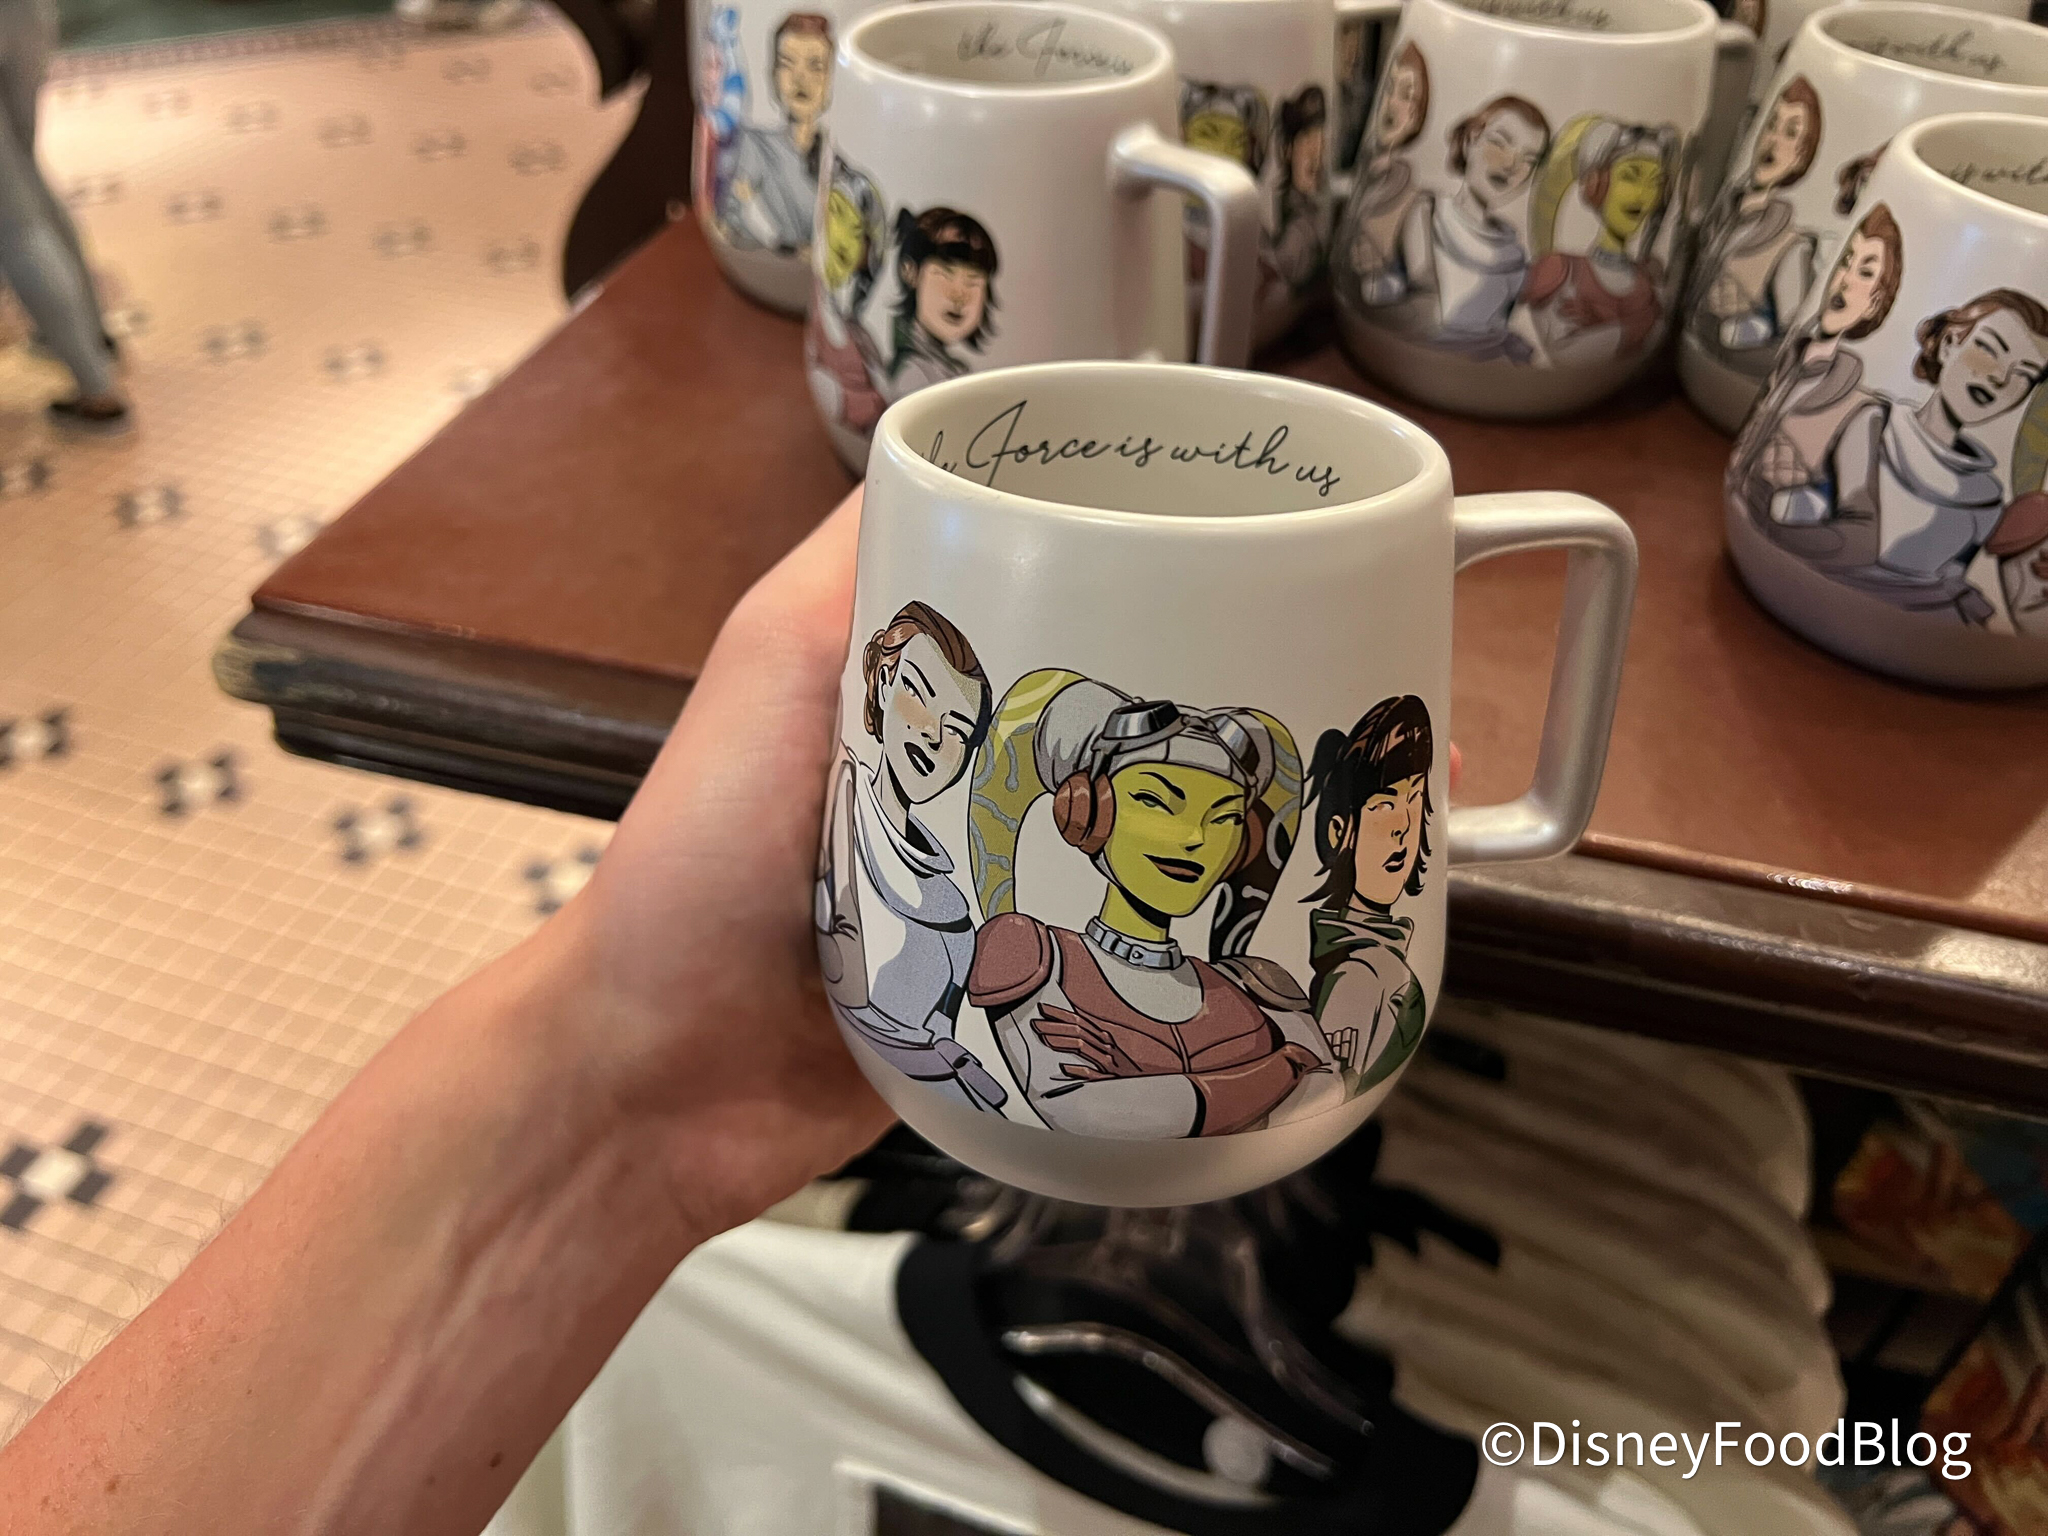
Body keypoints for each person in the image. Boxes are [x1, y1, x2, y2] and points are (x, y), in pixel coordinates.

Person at [0, 489, 1459, 1528]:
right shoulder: (1028, 944)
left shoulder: (1230, 987)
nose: (1185, 836)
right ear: (1089, 815)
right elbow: (1071, 1080)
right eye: (1153, 801)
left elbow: (1177, 1076)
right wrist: (1237, 1069)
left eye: (1214, 815)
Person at [964, 673, 1340, 1139]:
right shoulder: (1027, 954)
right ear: (1086, 812)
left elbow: (1325, 1095)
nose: (1195, 837)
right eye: (1154, 800)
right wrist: (1283, 1066)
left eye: (1224, 816)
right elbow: (1085, 1112)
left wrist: (1143, 1081)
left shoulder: (1260, 982)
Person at [815, 601, 1008, 1109]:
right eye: (919, 695)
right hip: (863, 1071)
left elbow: (943, 1026)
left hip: (941, 1095)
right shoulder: (849, 796)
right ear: (883, 684)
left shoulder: (951, 899)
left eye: (958, 730)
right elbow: (848, 977)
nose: (934, 735)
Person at [1729, 201, 1901, 534]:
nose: (1846, 279)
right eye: (1846, 261)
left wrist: (1800, 516)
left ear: (1875, 304)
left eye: (1866, 273)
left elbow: (1859, 530)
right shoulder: (1792, 360)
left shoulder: (1860, 412)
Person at [0, 0, 126, 432]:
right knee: (25, 177)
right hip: (26, 15)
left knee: (13, 218)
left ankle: (97, 391)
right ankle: (92, 336)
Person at [1302, 695, 1434, 1096]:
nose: (1403, 825)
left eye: (1415, 797)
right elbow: (1329, 1097)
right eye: (1384, 804)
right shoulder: (1357, 977)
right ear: (1339, 832)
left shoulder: (1383, 952)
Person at [1367, 94, 1551, 361]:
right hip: (1423, 355)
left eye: (1529, 160)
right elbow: (1414, 299)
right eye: (1499, 143)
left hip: (1490, 363)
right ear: (1470, 140)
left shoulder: (1513, 252)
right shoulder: (1429, 214)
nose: (1511, 165)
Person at [1521, 117, 1680, 366]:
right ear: (1596, 185)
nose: (1643, 193)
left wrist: (1610, 325)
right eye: (1630, 176)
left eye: (1654, 182)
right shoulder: (1559, 271)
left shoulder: (1648, 279)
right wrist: (1636, 326)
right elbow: (1566, 354)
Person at [1689, 75, 1821, 368]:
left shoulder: (1791, 246)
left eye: (1790, 133)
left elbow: (1786, 343)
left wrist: (1748, 318)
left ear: (1801, 157)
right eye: (1772, 125)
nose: (1773, 140)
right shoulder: (1723, 214)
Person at [715, 12, 833, 254]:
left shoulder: (836, 157)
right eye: (787, 64)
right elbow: (734, 215)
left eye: (816, 66)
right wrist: (786, 247)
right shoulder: (755, 145)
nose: (800, 78)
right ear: (773, 74)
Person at [803, 154, 889, 435]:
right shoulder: (826, 303)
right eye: (836, 213)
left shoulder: (863, 322)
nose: (842, 236)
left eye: (856, 229)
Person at [1339, 41, 1429, 304]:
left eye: (1406, 95)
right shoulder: (1368, 169)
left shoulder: (1411, 196)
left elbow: (1416, 276)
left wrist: (1383, 266)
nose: (1391, 102)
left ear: (1416, 116)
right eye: (1388, 87)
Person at [884, 206, 998, 399]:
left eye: (972, 281)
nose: (959, 295)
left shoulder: (948, 368)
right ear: (910, 271)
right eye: (946, 274)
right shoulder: (913, 376)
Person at [1269, 84, 1329, 293]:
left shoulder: (1317, 211)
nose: (1316, 151)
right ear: (1287, 150)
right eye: (1307, 139)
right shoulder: (1296, 228)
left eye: (1320, 139)